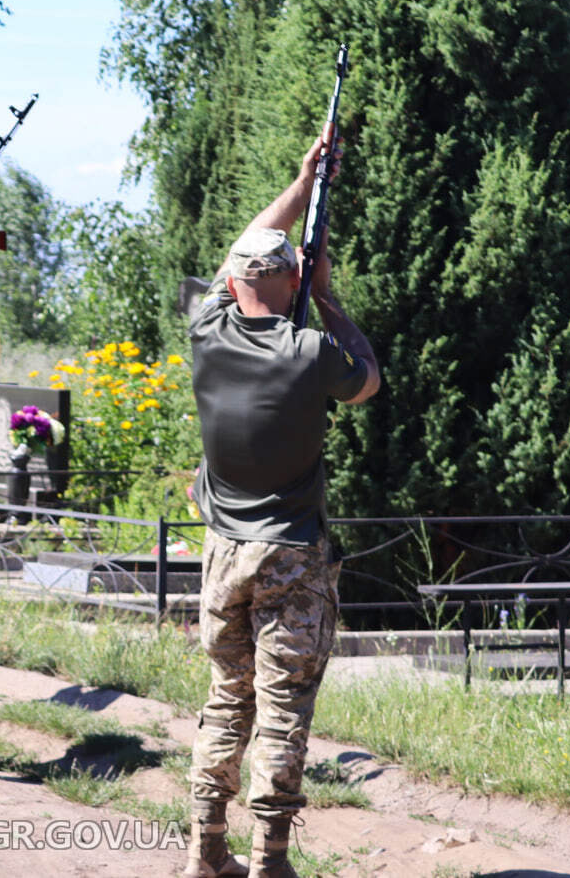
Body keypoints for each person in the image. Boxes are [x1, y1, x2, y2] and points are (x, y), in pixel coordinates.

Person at [183, 139, 380, 878]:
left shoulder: (206, 331)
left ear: (232, 284)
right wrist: (326, 295)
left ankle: (205, 848)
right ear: (294, 278)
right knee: (285, 708)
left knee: (226, 700)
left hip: (223, 552)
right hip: (293, 555)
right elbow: (367, 380)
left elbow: (242, 251)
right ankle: (270, 859)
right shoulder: (307, 350)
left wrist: (300, 183)